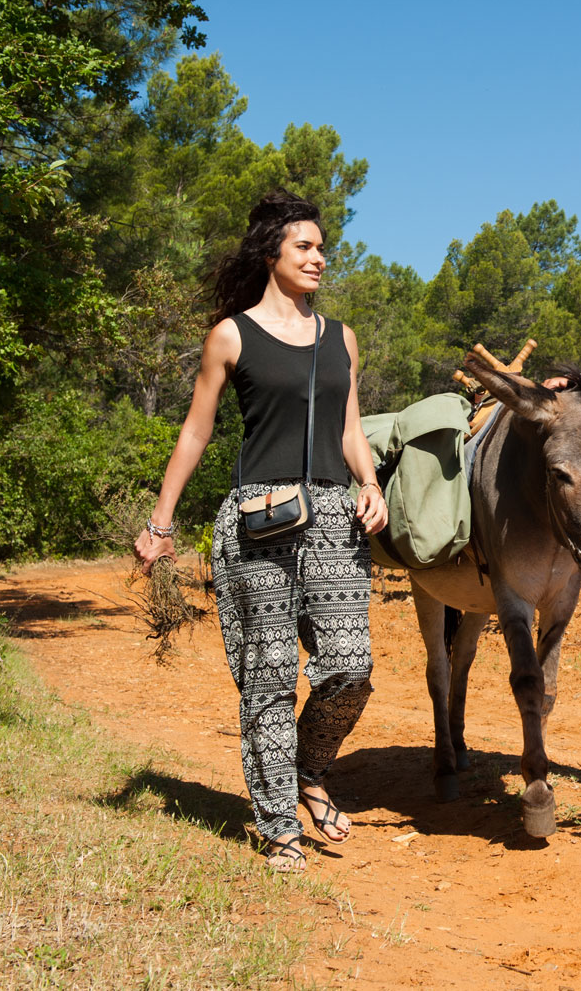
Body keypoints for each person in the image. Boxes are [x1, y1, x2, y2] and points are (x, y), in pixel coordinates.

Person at [134, 190, 387, 873]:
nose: (318, 256)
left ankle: (308, 770)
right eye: (303, 246)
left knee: (349, 666)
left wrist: (370, 483)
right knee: (268, 677)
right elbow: (196, 428)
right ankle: (279, 828)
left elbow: (350, 426)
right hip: (258, 520)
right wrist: (162, 523)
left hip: (335, 517)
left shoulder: (342, 338)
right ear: (270, 253)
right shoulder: (232, 334)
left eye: (321, 246)